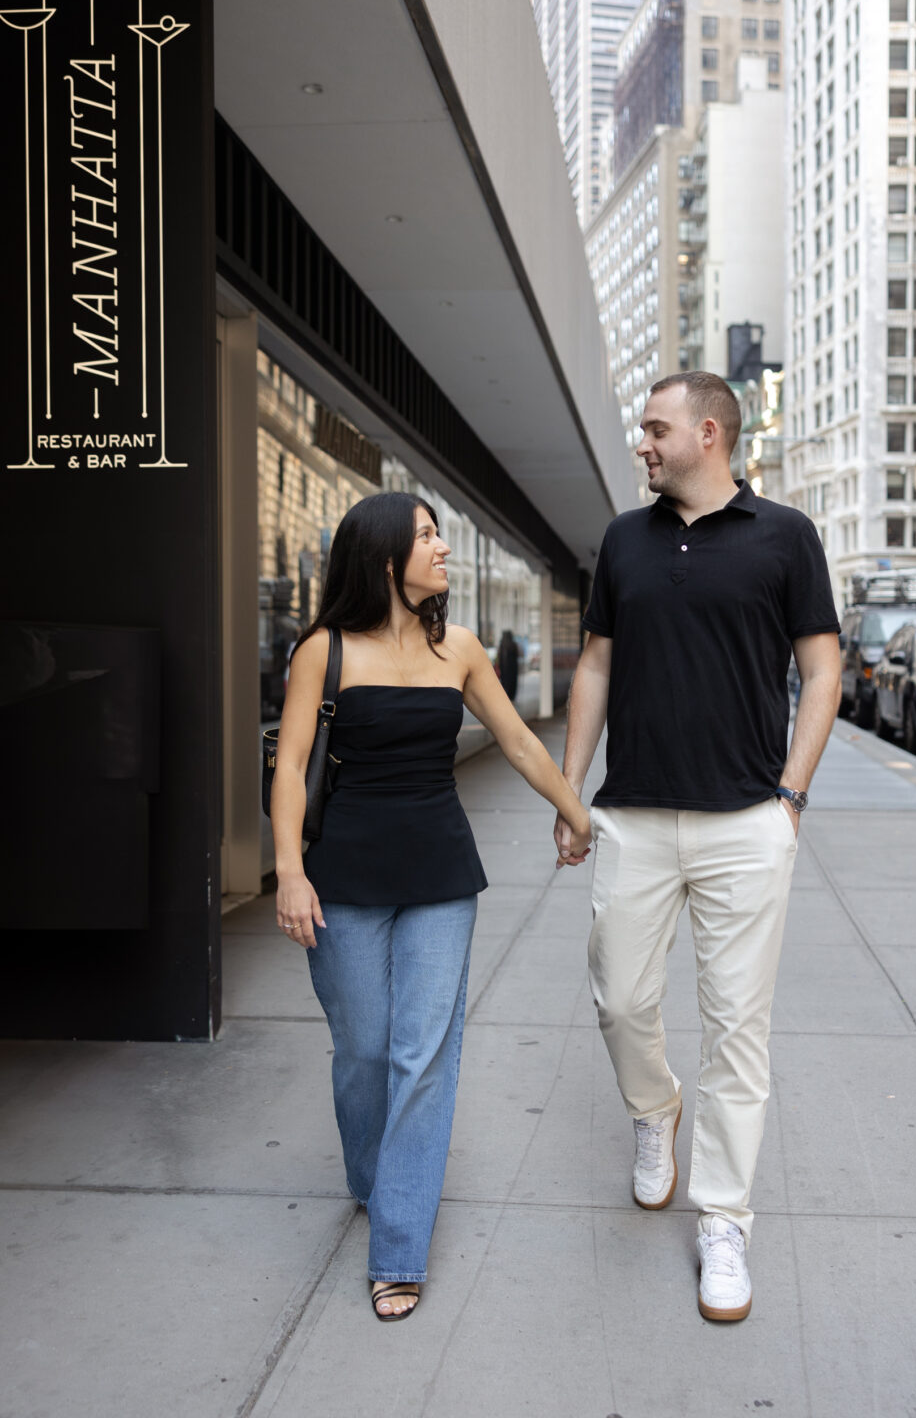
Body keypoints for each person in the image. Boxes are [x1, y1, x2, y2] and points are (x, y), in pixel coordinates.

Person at [553, 372, 840, 1322]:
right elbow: (595, 661)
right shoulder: (623, 541)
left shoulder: (786, 536)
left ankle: (725, 1219)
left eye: (655, 428)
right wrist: (570, 788)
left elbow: (822, 665)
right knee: (620, 996)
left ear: (707, 434)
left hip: (747, 822)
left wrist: (791, 796)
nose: (643, 443)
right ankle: (653, 1111)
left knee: (737, 1033)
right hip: (633, 814)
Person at [271, 492, 591, 1321]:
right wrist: (287, 872)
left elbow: (518, 739)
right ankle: (372, 1174)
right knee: (365, 1051)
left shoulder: (461, 649)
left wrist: (572, 805)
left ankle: (399, 1246)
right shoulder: (324, 652)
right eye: (426, 536)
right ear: (384, 558)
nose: (443, 548)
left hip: (442, 874)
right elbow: (290, 764)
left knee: (423, 1054)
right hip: (341, 874)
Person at [496, 629, 520, 700]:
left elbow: (499, 657)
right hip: (513, 668)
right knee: (512, 683)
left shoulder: (502, 645)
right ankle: (511, 697)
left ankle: (506, 697)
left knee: (505, 683)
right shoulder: (513, 645)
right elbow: (517, 655)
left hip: (504, 669)